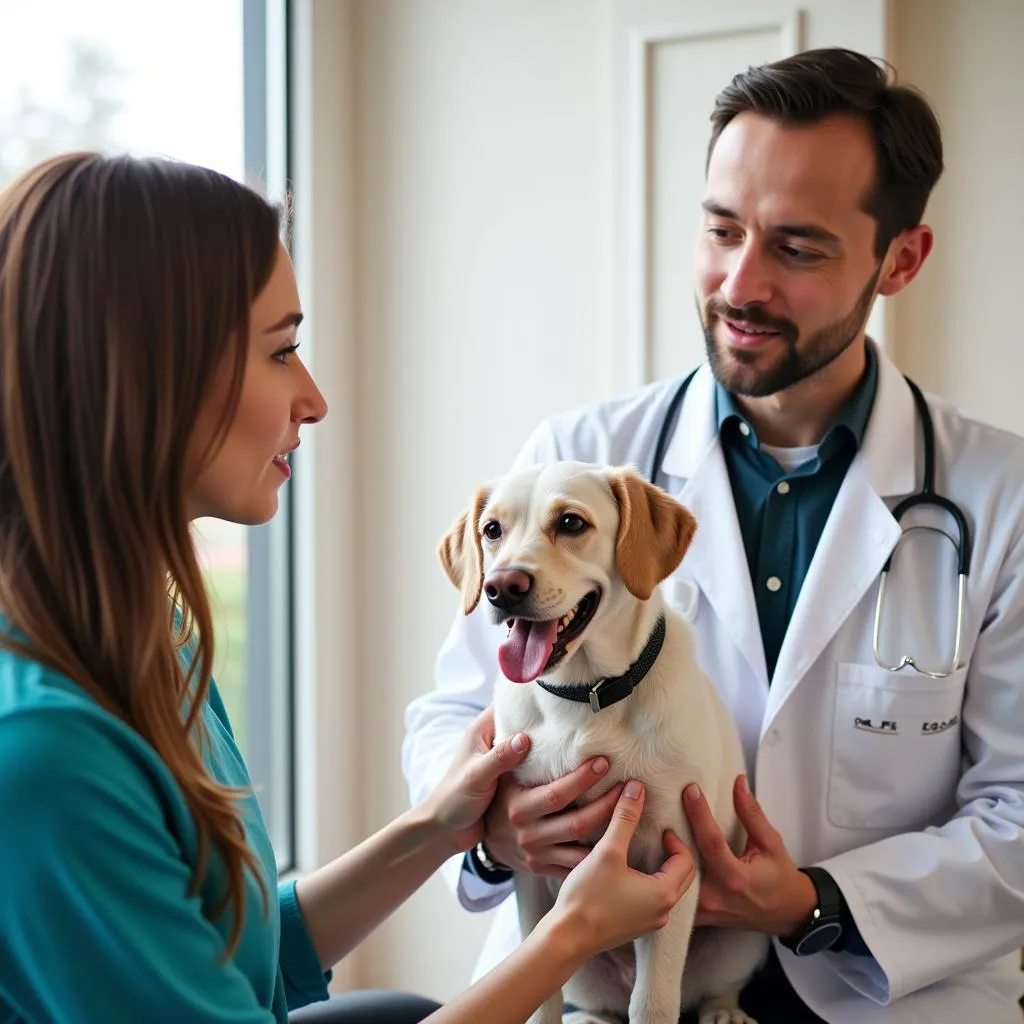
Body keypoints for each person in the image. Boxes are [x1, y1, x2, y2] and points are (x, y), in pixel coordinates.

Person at [0, 151, 700, 1024]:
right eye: (283, 351)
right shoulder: (46, 754)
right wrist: (566, 937)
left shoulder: (153, 637)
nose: (316, 399)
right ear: (145, 376)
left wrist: (440, 826)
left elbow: (239, 958)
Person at [403, 46, 1024, 1024]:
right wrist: (496, 829)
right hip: (602, 977)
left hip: (890, 994)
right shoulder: (578, 456)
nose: (740, 283)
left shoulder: (1001, 500)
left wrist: (812, 902)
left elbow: (1019, 813)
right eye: (721, 230)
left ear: (899, 259)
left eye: (797, 247)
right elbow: (453, 711)